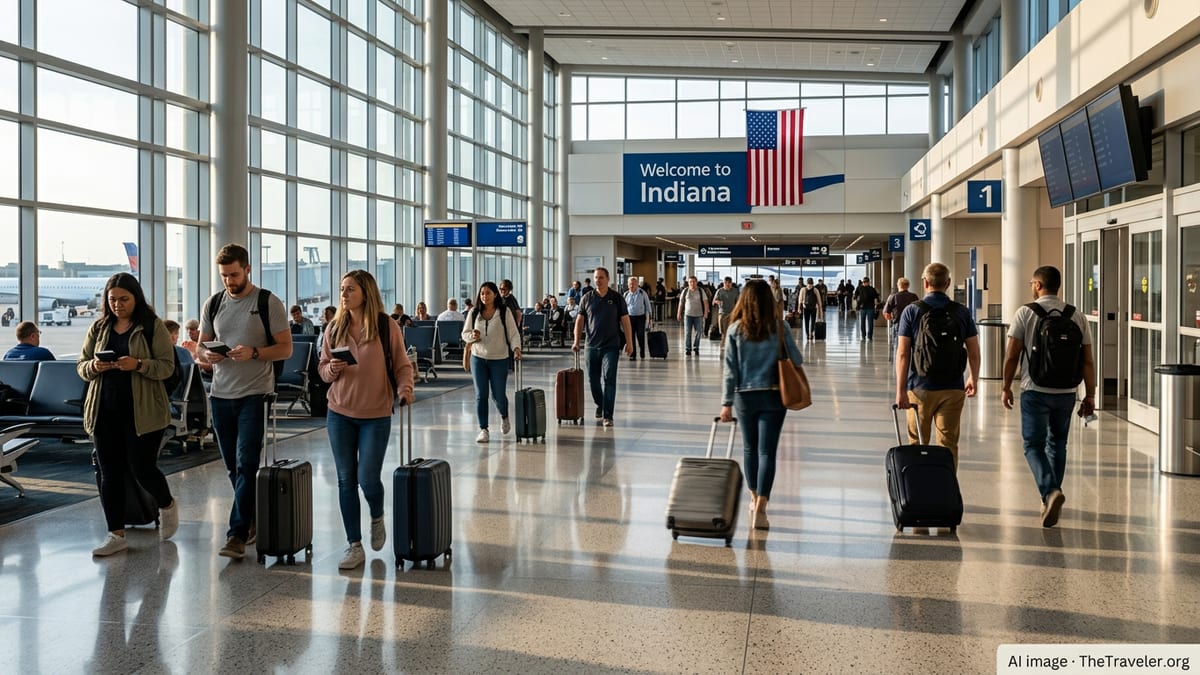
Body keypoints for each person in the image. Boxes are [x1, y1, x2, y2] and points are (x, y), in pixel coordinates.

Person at [196, 243, 292, 560]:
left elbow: (285, 349)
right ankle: (250, 518)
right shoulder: (213, 304)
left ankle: (235, 534)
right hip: (221, 394)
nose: (229, 281)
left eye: (234, 274)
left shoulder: (267, 302)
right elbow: (199, 350)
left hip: (255, 392)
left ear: (247, 269)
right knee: (232, 468)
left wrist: (254, 353)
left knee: (247, 461)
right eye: (224, 275)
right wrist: (207, 356)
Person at [318, 270, 415, 569]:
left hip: (375, 413)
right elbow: (322, 369)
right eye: (342, 289)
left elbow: (401, 364)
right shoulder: (334, 328)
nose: (344, 295)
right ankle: (353, 544)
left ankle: (376, 514)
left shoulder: (387, 327)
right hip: (340, 412)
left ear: (366, 293)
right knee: (346, 480)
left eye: (350, 290)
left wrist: (405, 388)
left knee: (367, 478)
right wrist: (330, 371)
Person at [77, 272, 179, 556]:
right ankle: (116, 533)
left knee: (141, 468)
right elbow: (81, 365)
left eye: (124, 299)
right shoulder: (99, 328)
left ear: (136, 298)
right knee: (109, 473)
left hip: (142, 412)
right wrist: (95, 368)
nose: (118, 305)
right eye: (112, 300)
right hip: (104, 411)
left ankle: (167, 504)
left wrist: (138, 364)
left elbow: (166, 367)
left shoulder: (151, 326)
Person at [1001, 266, 1096, 528]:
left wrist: (1005, 386)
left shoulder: (1025, 313)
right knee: (1058, 444)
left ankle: (1050, 491)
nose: (1031, 286)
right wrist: (1090, 395)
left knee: (1033, 445)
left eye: (1033, 282)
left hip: (1035, 390)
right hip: (1067, 392)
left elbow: (1012, 356)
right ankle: (1049, 497)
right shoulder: (1076, 315)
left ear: (1039, 285)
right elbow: (1087, 360)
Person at [719, 279, 803, 532]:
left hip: (745, 396)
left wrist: (726, 403)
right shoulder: (780, 327)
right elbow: (797, 359)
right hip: (775, 395)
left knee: (749, 449)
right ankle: (762, 509)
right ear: (769, 301)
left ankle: (753, 498)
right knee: (767, 452)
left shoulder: (734, 329)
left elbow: (729, 371)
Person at [894, 262, 980, 470]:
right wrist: (973, 379)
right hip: (953, 387)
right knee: (948, 444)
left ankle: (918, 491)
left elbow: (904, 353)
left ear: (925, 283)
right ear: (948, 283)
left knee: (917, 444)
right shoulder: (961, 312)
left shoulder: (912, 311)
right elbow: (974, 351)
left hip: (919, 388)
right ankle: (946, 493)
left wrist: (901, 390)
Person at [462, 281, 522, 443]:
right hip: (478, 358)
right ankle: (483, 429)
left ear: (495, 294)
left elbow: (513, 333)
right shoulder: (474, 312)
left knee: (498, 395)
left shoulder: (504, 311)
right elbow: (465, 333)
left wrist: (516, 348)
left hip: (499, 359)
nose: (484, 296)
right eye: (482, 293)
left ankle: (504, 415)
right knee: (481, 395)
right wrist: (472, 336)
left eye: (488, 293)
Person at [573, 267, 633, 427]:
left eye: (600, 277)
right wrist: (576, 341)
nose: (597, 280)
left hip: (611, 346)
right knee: (593, 380)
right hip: (591, 346)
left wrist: (629, 341)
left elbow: (625, 321)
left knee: (609, 379)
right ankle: (600, 403)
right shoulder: (587, 298)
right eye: (595, 277)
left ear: (607, 279)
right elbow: (579, 321)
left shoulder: (616, 298)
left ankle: (608, 415)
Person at [676, 275, 709, 356]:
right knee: (687, 332)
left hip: (699, 315)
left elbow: (705, 302)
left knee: (699, 332)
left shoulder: (701, 291)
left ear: (696, 282)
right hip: (688, 315)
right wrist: (678, 313)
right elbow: (681, 303)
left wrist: (706, 313)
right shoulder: (685, 291)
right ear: (688, 283)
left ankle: (696, 347)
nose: (692, 283)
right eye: (690, 282)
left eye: (694, 281)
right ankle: (688, 349)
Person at [882, 277, 920, 346]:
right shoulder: (914, 296)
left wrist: (892, 318)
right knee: (913, 345)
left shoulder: (893, 296)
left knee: (899, 345)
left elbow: (886, 313)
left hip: (898, 323)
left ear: (898, 285)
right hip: (912, 324)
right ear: (908, 286)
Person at [623, 276, 652, 361]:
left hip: (640, 317)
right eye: (630, 284)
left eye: (634, 284)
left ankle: (642, 351)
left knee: (640, 335)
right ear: (628, 285)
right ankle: (633, 354)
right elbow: (623, 308)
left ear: (637, 285)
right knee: (631, 336)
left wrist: (650, 319)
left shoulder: (642, 293)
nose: (632, 286)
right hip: (630, 318)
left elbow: (648, 306)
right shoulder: (626, 294)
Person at [712, 277, 740, 343]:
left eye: (729, 283)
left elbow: (738, 302)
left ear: (731, 283)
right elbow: (713, 302)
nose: (727, 284)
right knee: (723, 331)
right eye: (726, 282)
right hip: (722, 313)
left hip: (732, 313)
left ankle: (730, 344)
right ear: (723, 283)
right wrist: (717, 301)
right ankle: (724, 344)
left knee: (732, 330)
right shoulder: (720, 291)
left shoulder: (735, 291)